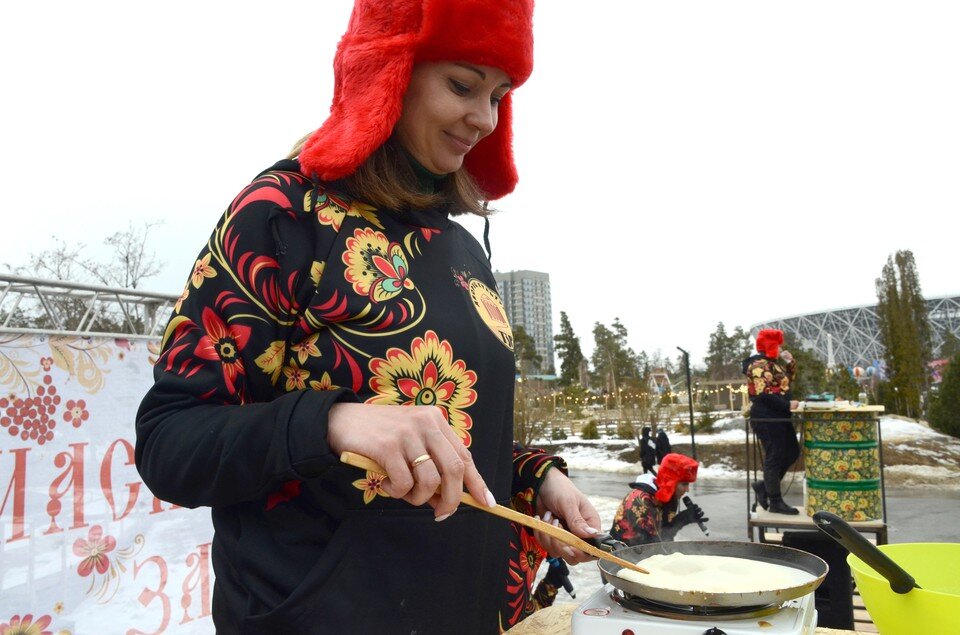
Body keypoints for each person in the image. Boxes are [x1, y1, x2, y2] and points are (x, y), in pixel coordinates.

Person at [134, 1, 601, 633]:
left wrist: (536, 477)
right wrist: (331, 422)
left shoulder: (462, 247)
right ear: (391, 70)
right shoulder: (285, 213)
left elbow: (448, 427)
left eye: (499, 95)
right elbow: (170, 442)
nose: (483, 118)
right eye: (462, 85)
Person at [743, 328, 801, 515]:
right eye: (777, 345)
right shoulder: (759, 365)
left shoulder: (772, 364)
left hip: (779, 416)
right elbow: (763, 393)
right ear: (770, 346)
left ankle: (764, 487)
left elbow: (786, 382)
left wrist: (790, 362)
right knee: (774, 456)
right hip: (766, 417)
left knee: (792, 451)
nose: (780, 348)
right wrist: (787, 405)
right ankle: (775, 500)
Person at [609, 453, 708, 546]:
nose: (687, 490)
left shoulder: (670, 497)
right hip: (622, 555)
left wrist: (683, 519)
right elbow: (650, 545)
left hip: (645, 553)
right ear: (671, 482)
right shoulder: (640, 500)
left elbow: (664, 536)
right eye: (684, 484)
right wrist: (681, 519)